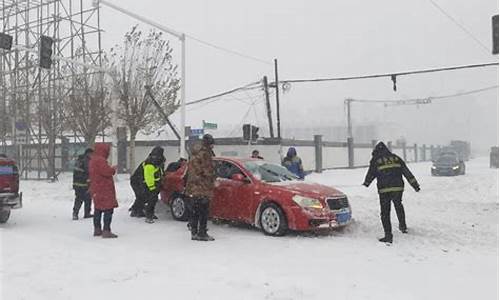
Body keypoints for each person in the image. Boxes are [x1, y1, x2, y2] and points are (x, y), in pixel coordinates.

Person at [363, 142, 420, 244]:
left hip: (384, 189)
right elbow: (406, 172)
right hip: (398, 188)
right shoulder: (396, 158)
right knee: (398, 205)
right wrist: (415, 185)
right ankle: (403, 227)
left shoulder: (376, 160)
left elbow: (371, 172)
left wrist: (367, 182)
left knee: (385, 212)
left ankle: (388, 235)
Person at [184, 134, 216, 241]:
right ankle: (202, 233)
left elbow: (192, 170)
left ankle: (194, 232)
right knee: (203, 211)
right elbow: (207, 171)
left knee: (195, 211)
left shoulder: (195, 153)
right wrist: (214, 175)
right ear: (209, 144)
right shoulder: (205, 154)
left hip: (193, 186)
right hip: (203, 186)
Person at [89, 143, 118, 238]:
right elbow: (107, 172)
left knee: (98, 209)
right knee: (108, 209)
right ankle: (106, 230)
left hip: (96, 188)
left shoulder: (93, 160)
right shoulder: (101, 160)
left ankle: (97, 229)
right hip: (104, 188)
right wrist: (113, 169)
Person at [129, 146, 166, 223]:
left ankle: (137, 210)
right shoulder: (150, 163)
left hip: (142, 181)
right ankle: (147, 214)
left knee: (144, 197)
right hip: (137, 181)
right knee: (146, 197)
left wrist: (160, 181)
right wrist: (152, 188)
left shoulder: (157, 161)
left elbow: (159, 172)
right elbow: (148, 177)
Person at [72, 148, 94, 220]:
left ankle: (75, 213)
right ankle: (86, 213)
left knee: (79, 198)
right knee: (86, 198)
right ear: (89, 153)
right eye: (92, 154)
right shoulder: (87, 160)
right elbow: (88, 171)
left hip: (77, 183)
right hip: (84, 183)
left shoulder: (78, 160)